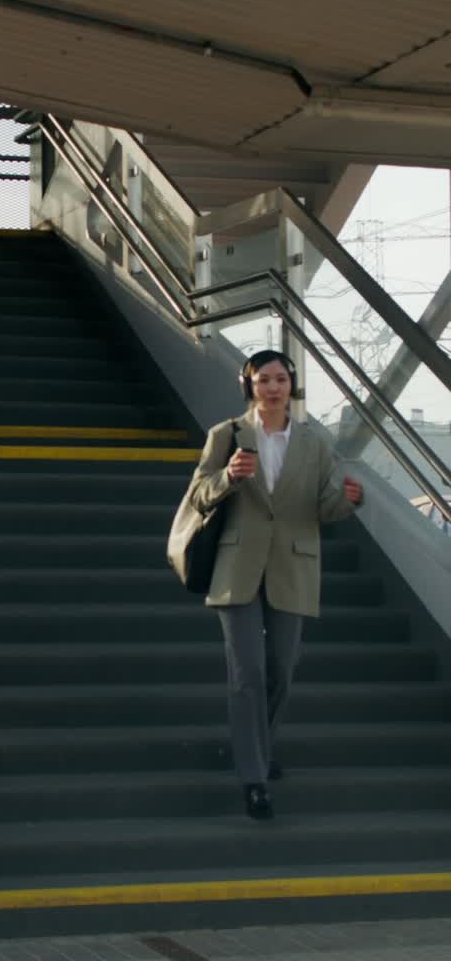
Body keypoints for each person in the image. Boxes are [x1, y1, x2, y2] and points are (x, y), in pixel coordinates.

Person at [188, 349, 364, 820]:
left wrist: (349, 501)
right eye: (263, 379)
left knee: (281, 670)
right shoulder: (226, 435)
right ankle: (254, 779)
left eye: (280, 379)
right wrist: (228, 477)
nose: (272, 387)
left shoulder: (313, 442)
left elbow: (324, 507)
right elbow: (198, 495)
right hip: (237, 567)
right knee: (247, 672)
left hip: (293, 565)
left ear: (291, 385)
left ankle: (258, 747)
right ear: (248, 385)